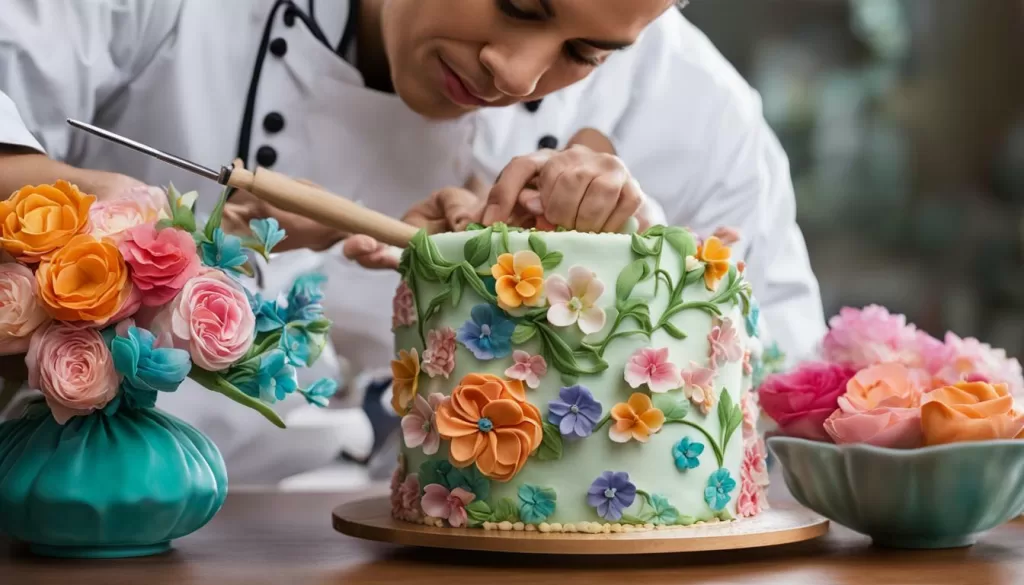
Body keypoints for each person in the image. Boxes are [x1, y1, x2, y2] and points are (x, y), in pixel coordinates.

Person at [0, 0, 825, 482]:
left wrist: (620, 272)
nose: (516, 72)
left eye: (583, 52)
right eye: (520, 4)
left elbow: (784, 410)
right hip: (68, 488)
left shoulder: (702, 110)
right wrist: (131, 211)